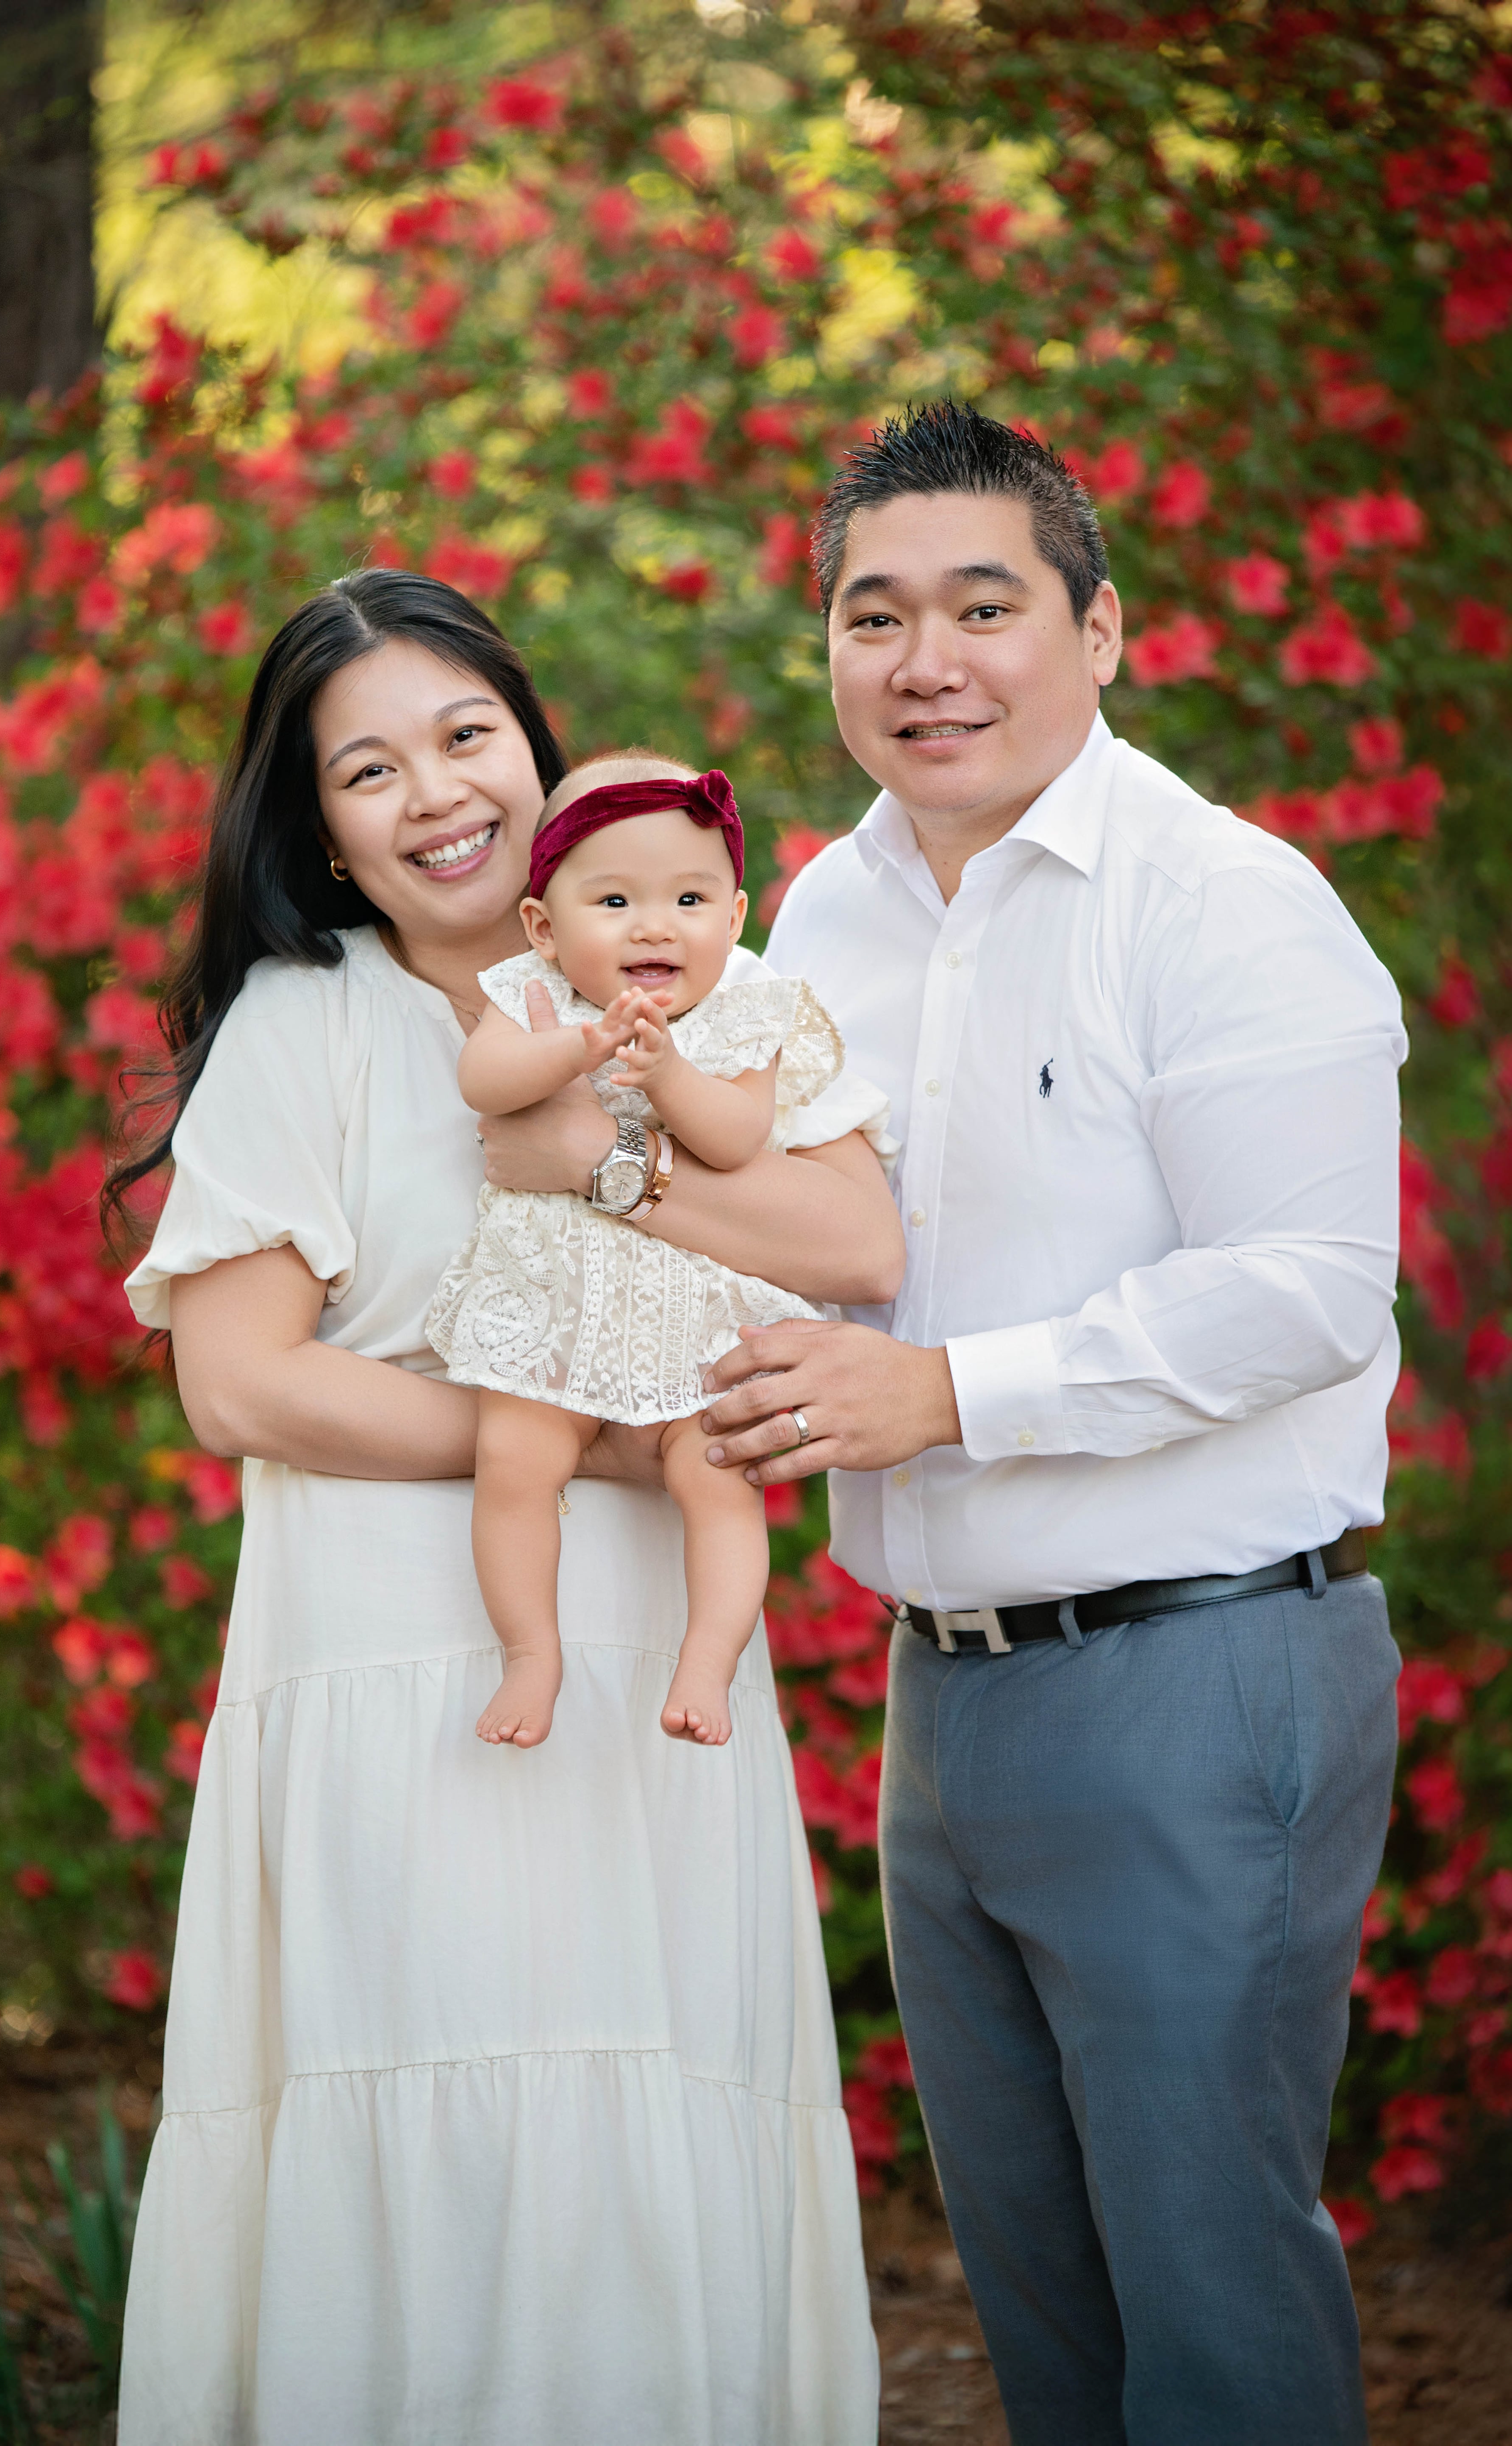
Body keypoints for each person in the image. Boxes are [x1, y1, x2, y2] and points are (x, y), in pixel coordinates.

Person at [110, 568, 893, 2446]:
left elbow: (852, 1241)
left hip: (662, 1694)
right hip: (402, 1680)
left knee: (661, 2124)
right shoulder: (309, 1025)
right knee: (438, 2137)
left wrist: (605, 1147)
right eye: (367, 770)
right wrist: (581, 1431)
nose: (436, 791)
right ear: (324, 833)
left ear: (540, 759)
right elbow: (238, 1381)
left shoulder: (728, 989)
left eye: (466, 735)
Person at [699, 402, 1405, 2446]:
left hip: (1201, 1669)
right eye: (874, 614)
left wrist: (938, 1393)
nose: (927, 660)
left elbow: (1301, 1288)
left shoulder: (1222, 901)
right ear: (828, 650)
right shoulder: (818, 917)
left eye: (982, 606)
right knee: (1047, 2318)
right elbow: (810, 1250)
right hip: (950, 1698)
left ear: (1098, 631)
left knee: (1209, 2305)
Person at [427, 749, 887, 1751]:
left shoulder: (751, 1009)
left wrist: (668, 1075)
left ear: (733, 915)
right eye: (616, 900)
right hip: (556, 1301)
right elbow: (485, 1079)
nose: (656, 925)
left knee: (714, 1480)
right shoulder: (536, 995)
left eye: (689, 897)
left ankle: (708, 1662)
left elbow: (732, 1140)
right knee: (512, 1459)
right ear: (546, 927)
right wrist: (576, 1051)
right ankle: (531, 1653)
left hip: (695, 1313)